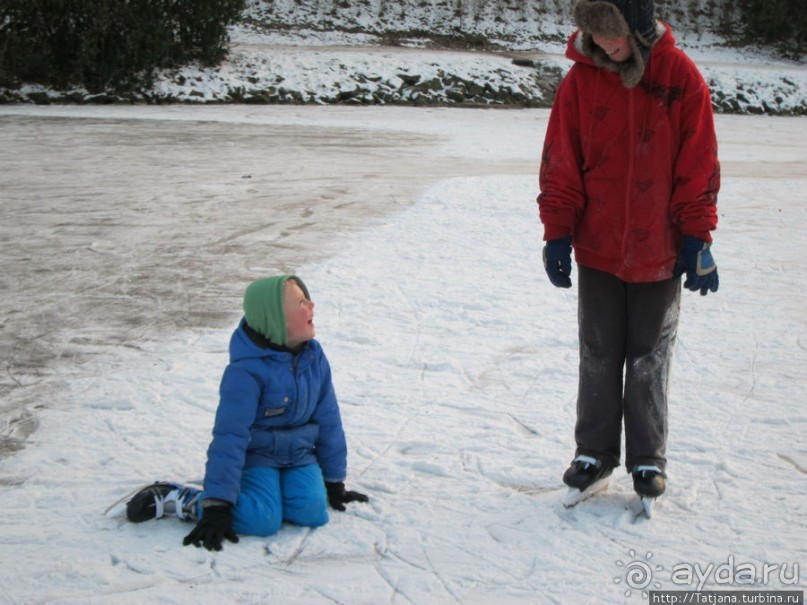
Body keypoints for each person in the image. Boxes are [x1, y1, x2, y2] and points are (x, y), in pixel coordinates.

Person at [536, 0, 720, 502]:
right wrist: (557, 231)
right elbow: (561, 159)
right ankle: (592, 452)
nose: (605, 49)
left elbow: (699, 161)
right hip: (597, 247)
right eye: (595, 38)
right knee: (597, 352)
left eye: (614, 39)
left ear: (638, 32)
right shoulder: (581, 81)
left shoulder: (679, 77)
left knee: (648, 356)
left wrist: (697, 236)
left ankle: (647, 460)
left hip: (659, 250)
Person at [122, 275, 368, 550]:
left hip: (298, 455)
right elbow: (230, 435)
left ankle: (275, 495)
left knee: (313, 512)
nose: (311, 305)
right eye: (300, 302)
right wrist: (217, 504)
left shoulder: (314, 357)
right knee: (262, 521)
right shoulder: (245, 372)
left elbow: (329, 417)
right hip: (258, 456)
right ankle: (183, 499)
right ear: (275, 318)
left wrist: (334, 481)